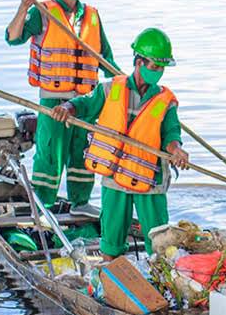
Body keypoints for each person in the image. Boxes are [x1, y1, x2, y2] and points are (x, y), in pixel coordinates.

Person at [50, 28, 188, 260]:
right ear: (139, 62)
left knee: (159, 243)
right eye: (154, 66)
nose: (158, 72)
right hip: (115, 178)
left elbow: (171, 134)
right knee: (111, 240)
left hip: (149, 180)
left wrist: (177, 151)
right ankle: (110, 275)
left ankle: (160, 276)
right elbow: (84, 103)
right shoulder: (111, 88)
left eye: (161, 68)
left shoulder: (165, 101)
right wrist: (67, 108)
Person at [6, 0, 120, 215]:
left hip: (86, 101)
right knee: (50, 154)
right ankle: (43, 205)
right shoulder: (43, 12)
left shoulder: (92, 15)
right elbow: (13, 38)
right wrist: (23, 8)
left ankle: (80, 202)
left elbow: (105, 58)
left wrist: (126, 85)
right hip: (54, 100)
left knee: (83, 152)